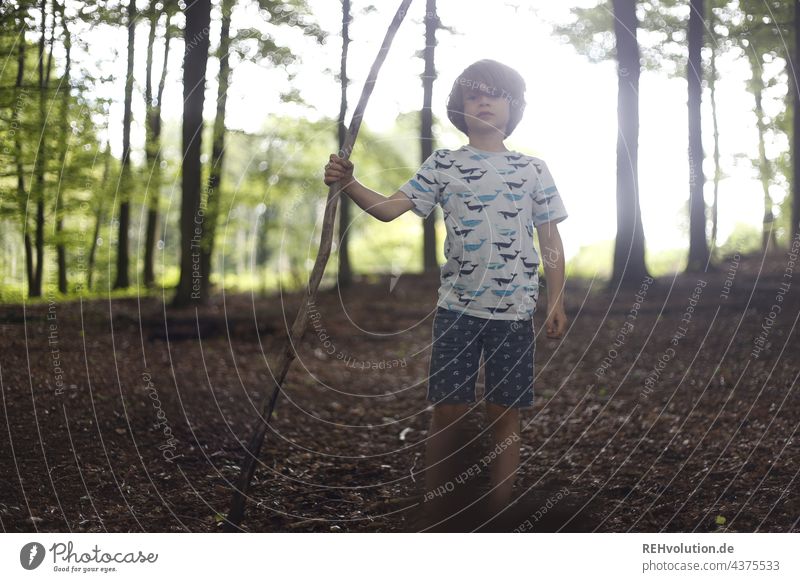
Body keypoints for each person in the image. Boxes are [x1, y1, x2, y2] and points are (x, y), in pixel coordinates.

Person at [323, 59, 568, 528]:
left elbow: (550, 241)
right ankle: (434, 515)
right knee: (449, 410)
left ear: (512, 107)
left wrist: (556, 300)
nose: (483, 101)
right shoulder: (444, 164)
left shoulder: (533, 169)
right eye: (473, 95)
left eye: (494, 94)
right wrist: (348, 182)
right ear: (460, 107)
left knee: (504, 412)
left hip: (514, 311)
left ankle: (497, 514)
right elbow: (391, 209)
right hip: (457, 309)